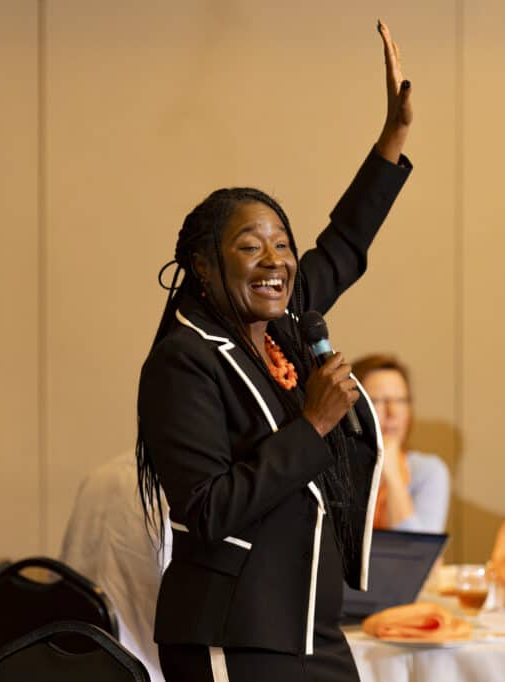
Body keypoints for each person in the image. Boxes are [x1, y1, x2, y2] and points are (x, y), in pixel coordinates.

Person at [135, 21, 412, 682]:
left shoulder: (281, 330)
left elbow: (341, 247)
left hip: (307, 625)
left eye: (282, 245)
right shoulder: (184, 361)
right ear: (204, 267)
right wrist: (313, 425)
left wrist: (392, 140)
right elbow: (207, 509)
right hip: (234, 631)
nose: (275, 261)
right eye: (251, 246)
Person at [60, 453, 171, 682]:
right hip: (146, 669)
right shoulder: (180, 491)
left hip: (76, 660)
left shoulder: (99, 477)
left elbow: (62, 573)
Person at [352, 354, 449, 533]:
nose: (392, 412)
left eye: (401, 401)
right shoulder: (332, 472)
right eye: (377, 401)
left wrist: (393, 476)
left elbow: (417, 554)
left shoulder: (428, 471)